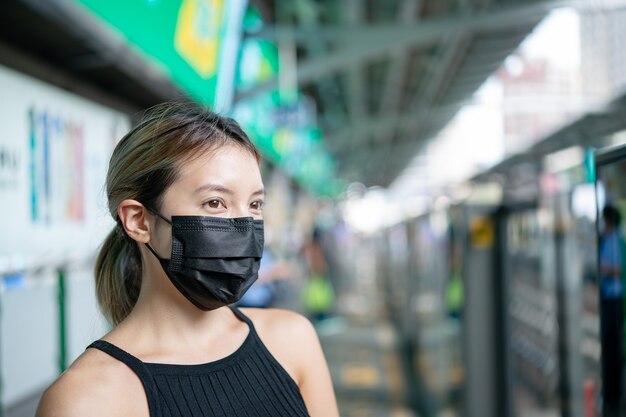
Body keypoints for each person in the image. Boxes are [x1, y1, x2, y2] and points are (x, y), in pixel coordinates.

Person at [36, 102, 339, 417]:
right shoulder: (84, 400)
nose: (245, 226)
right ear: (139, 221)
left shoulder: (292, 340)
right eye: (215, 202)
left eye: (254, 204)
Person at [599, 204, 625, 417]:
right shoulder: (609, 240)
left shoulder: (616, 241)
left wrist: (605, 269)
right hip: (609, 298)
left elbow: (619, 269)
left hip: (614, 299)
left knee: (612, 349)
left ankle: (613, 395)